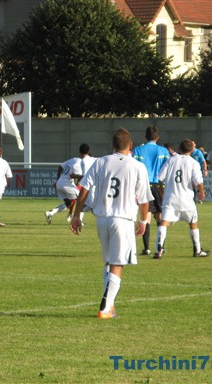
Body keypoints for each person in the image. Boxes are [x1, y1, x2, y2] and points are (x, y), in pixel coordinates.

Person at [70, 128, 153, 319]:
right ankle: (105, 307)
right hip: (122, 219)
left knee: (108, 262)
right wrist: (143, 220)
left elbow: (83, 189)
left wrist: (76, 216)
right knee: (117, 263)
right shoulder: (137, 166)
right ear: (130, 145)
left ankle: (111, 306)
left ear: (113, 145)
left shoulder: (100, 162)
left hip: (102, 219)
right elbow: (143, 198)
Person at [154, 139, 211, 259]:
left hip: (170, 198)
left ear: (179, 149)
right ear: (191, 150)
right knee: (193, 223)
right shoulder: (193, 162)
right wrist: (202, 193)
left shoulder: (171, 160)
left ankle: (159, 249)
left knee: (164, 222)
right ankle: (197, 250)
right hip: (186, 200)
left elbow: (160, 178)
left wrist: (162, 192)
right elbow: (199, 182)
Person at [133, 126, 170, 256]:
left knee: (146, 214)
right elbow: (168, 168)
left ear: (145, 137)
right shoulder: (163, 150)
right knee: (160, 215)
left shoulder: (138, 150)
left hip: (144, 184)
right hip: (159, 185)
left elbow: (133, 167)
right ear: (157, 137)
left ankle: (147, 248)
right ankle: (161, 247)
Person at [44, 146, 84, 224]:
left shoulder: (73, 160)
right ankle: (78, 220)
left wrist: (57, 180)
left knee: (68, 203)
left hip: (60, 182)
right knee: (82, 199)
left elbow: (60, 167)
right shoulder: (79, 163)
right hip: (66, 184)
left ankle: (50, 213)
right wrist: (82, 177)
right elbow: (74, 175)